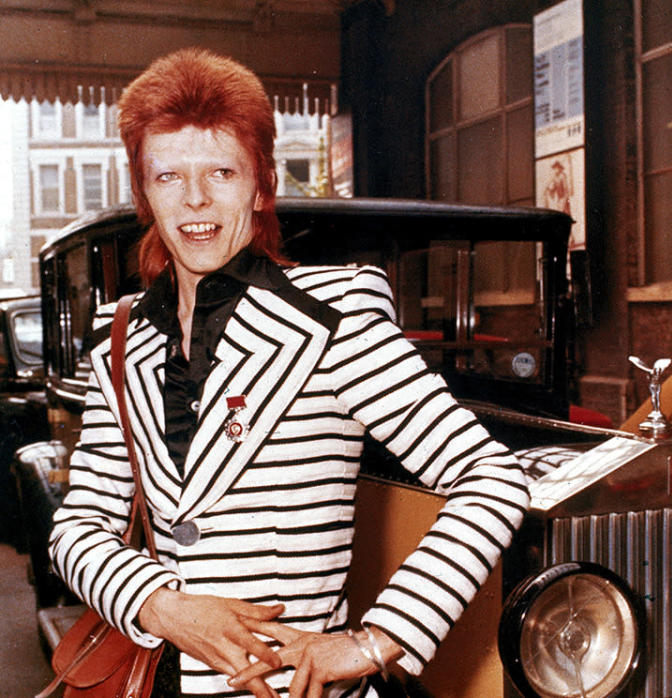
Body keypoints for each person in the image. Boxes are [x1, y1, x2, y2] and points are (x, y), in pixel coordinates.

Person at [48, 47, 530, 698]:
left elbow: (490, 478)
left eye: (221, 170)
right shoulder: (121, 334)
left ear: (261, 182)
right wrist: (164, 607)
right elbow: (78, 527)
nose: (195, 199)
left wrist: (375, 640)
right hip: (158, 679)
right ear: (143, 191)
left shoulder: (334, 318)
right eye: (168, 176)